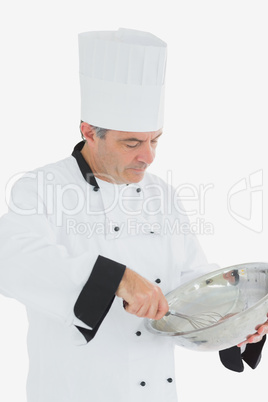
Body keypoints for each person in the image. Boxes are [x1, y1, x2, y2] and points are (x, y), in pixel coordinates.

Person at [0, 28, 267, 402]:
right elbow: (12, 261)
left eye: (155, 139)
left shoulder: (161, 193)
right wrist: (116, 277)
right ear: (89, 132)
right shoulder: (42, 188)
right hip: (74, 391)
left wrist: (234, 322)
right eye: (132, 143)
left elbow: (190, 282)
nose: (149, 156)